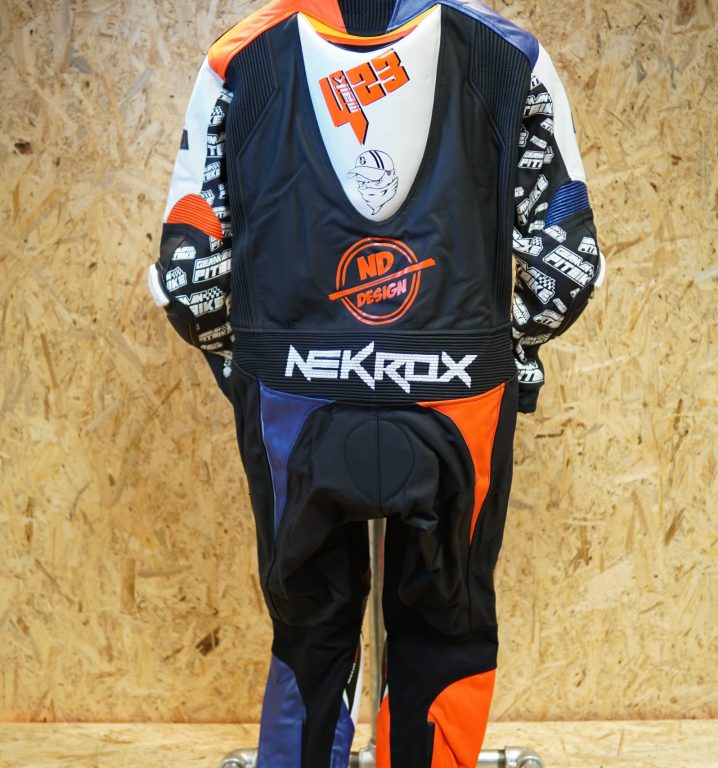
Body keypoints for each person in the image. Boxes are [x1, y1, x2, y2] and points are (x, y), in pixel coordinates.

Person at [148, 1, 604, 766]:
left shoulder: (240, 55)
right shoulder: (508, 52)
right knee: (447, 621)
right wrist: (511, 358)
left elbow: (188, 282)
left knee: (310, 627)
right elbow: (567, 266)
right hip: (460, 388)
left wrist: (247, 374)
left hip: (293, 391)